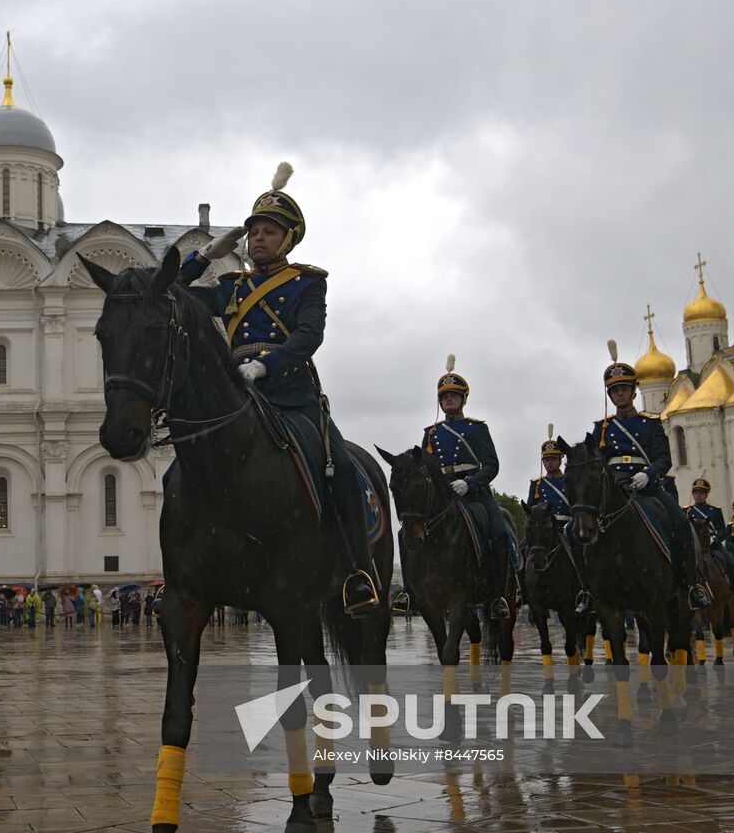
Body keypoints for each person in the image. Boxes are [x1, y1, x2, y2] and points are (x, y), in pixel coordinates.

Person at [177, 162, 379, 615]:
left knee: (341, 466)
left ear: (288, 239)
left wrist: (266, 366)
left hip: (290, 395)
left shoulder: (308, 283)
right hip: (235, 395)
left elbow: (310, 336)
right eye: (254, 232)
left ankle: (358, 573)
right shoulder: (230, 286)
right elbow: (172, 294)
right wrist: (204, 256)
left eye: (269, 231)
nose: (258, 239)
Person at [594, 344, 711, 611]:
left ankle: (691, 584)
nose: (620, 394)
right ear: (610, 396)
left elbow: (664, 459)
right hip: (616, 488)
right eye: (615, 391)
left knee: (682, 523)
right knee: (581, 529)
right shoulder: (602, 428)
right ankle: (588, 589)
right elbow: (598, 460)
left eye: (624, 389)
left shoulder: (651, 422)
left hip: (646, 488)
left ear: (633, 392)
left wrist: (648, 474)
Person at [422, 358, 521, 619]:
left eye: (454, 396)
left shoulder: (477, 429)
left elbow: (492, 465)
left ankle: (498, 595)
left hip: (474, 493)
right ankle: (412, 590)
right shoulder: (431, 433)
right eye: (444, 397)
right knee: (409, 532)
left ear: (463, 399)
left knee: (500, 533)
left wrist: (469, 483)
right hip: (442, 497)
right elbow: (425, 469)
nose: (449, 400)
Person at [526, 430, 591, 615]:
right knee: (523, 550)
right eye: (546, 460)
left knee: (581, 552)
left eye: (553, 459)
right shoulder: (537, 485)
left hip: (567, 525)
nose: (550, 463)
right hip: (544, 529)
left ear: (561, 459)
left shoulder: (568, 481)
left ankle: (585, 589)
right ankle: (522, 591)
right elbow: (531, 508)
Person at [687, 478, 734, 612]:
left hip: (713, 546)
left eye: (702, 493)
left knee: (732, 565)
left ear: (706, 495)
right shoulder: (687, 511)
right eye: (696, 492)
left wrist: (714, 539)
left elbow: (722, 530)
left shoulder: (714, 510)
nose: (698, 495)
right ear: (693, 494)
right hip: (694, 548)